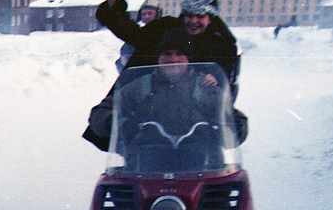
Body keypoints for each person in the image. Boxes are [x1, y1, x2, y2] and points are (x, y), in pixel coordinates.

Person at [85, 29, 244, 153]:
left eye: (179, 54)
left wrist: (222, 129)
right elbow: (99, 113)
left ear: (188, 59)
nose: (173, 59)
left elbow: (237, 121)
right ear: (158, 58)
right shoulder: (139, 86)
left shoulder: (205, 87)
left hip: (201, 166)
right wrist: (119, 124)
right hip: (146, 166)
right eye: (167, 53)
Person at [94, 0, 240, 95]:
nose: (194, 21)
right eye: (189, 15)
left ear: (211, 19)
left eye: (200, 16)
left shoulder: (223, 45)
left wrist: (216, 80)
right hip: (153, 102)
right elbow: (131, 32)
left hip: (197, 113)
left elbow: (226, 88)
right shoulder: (165, 29)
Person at [116, 3, 161, 73]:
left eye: (150, 13)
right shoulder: (136, 34)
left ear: (157, 14)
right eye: (143, 14)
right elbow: (124, 58)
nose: (147, 16)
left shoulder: (165, 33)